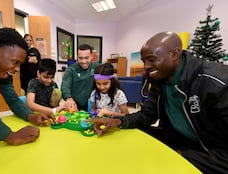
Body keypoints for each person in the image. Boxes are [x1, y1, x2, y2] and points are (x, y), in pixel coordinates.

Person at [89, 32, 228, 173]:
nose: (146, 67)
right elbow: (147, 115)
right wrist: (119, 121)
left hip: (213, 152)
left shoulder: (217, 82)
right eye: (144, 61)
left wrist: (183, 156)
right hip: (178, 139)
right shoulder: (159, 78)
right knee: (134, 138)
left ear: (174, 54)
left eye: (151, 60)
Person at [61, 44, 100, 111]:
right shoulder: (71, 70)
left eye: (86, 58)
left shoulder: (97, 67)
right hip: (74, 105)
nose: (84, 61)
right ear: (77, 57)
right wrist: (68, 98)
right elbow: (65, 86)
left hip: (93, 104)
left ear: (91, 56)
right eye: (80, 58)